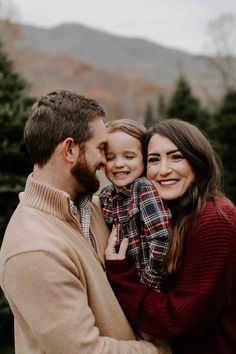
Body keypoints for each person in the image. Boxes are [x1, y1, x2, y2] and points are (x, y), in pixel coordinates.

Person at [0, 89, 166, 354]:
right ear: (69, 149)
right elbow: (83, 350)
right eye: (101, 149)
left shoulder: (97, 208)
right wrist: (159, 350)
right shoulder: (33, 248)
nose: (105, 161)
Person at [105, 118, 236, 354]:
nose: (163, 170)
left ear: (198, 161)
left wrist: (119, 273)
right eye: (154, 160)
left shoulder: (215, 221)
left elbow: (175, 319)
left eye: (176, 157)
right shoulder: (173, 213)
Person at [99, 119, 171, 290]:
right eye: (110, 158)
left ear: (144, 158)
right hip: (124, 283)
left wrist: (149, 282)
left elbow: (161, 238)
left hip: (151, 288)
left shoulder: (143, 188)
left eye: (129, 156)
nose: (118, 164)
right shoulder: (106, 196)